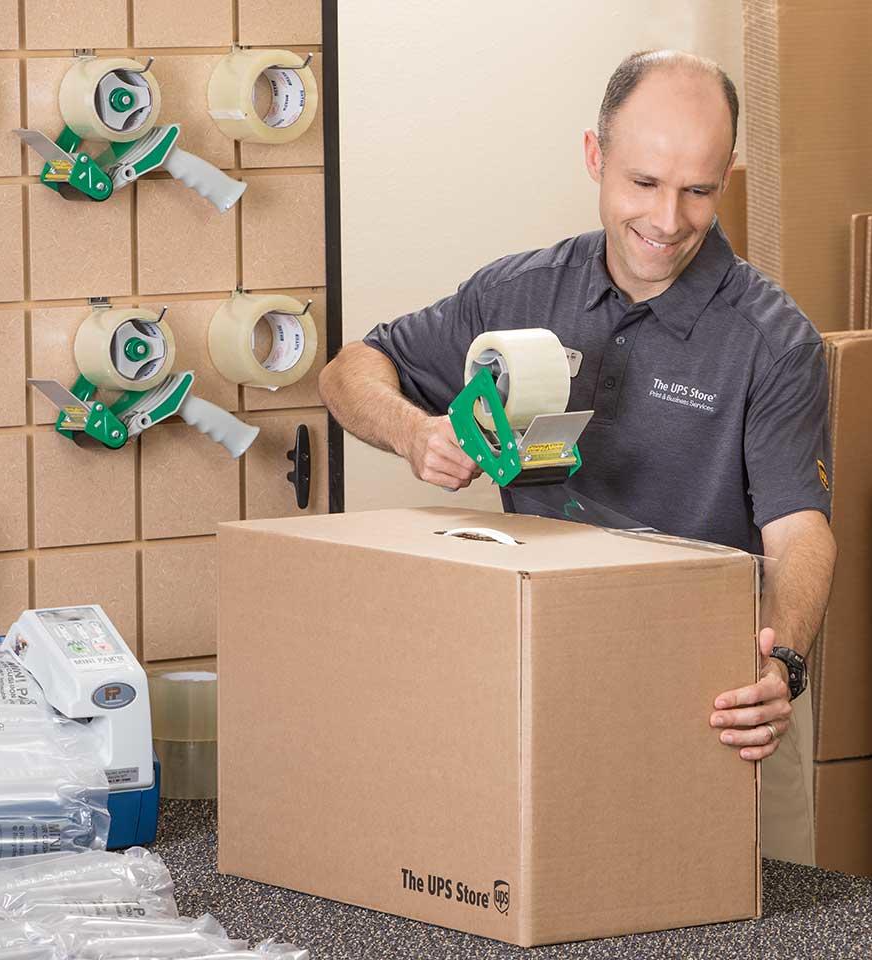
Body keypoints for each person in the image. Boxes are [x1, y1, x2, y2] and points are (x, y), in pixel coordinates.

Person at [318, 50, 836, 866]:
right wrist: (415, 434)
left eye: (698, 190)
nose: (668, 219)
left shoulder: (774, 343)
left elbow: (799, 532)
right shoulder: (519, 294)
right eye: (643, 183)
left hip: (721, 694)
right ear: (594, 156)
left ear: (725, 181)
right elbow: (351, 370)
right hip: (551, 676)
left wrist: (787, 667)